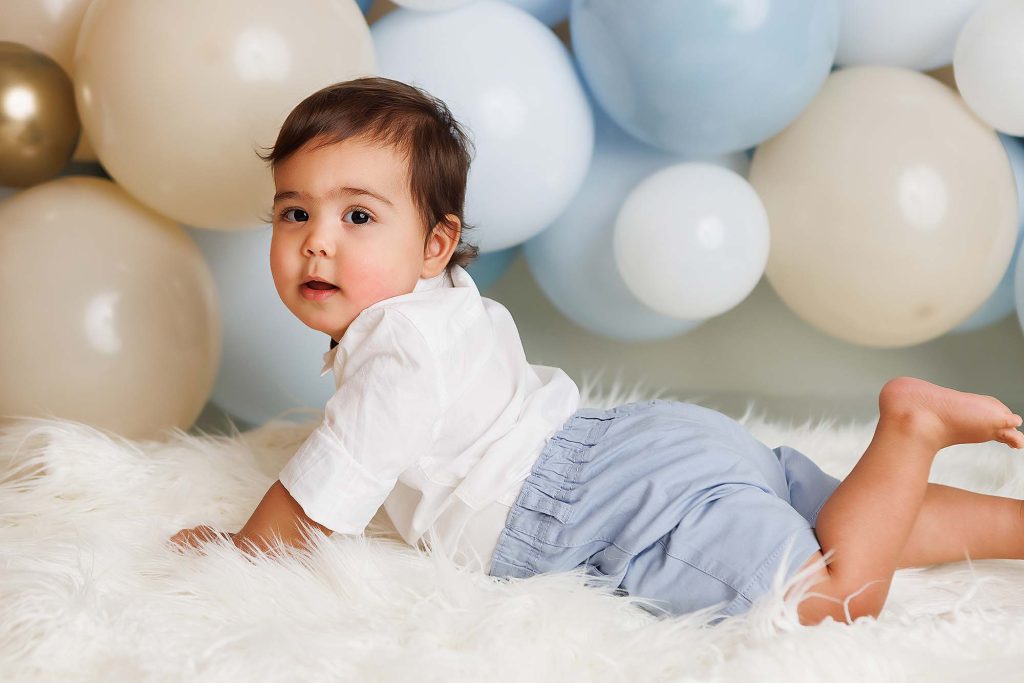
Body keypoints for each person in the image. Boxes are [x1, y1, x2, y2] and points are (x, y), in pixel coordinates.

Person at [170, 76, 1024, 627]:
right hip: (634, 440)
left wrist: (242, 552)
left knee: (824, 597)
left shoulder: (397, 349)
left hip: (591, 509)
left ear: (436, 244)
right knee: (836, 511)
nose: (317, 243)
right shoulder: (436, 301)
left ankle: (909, 425)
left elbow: (334, 475)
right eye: (294, 213)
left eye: (357, 216)